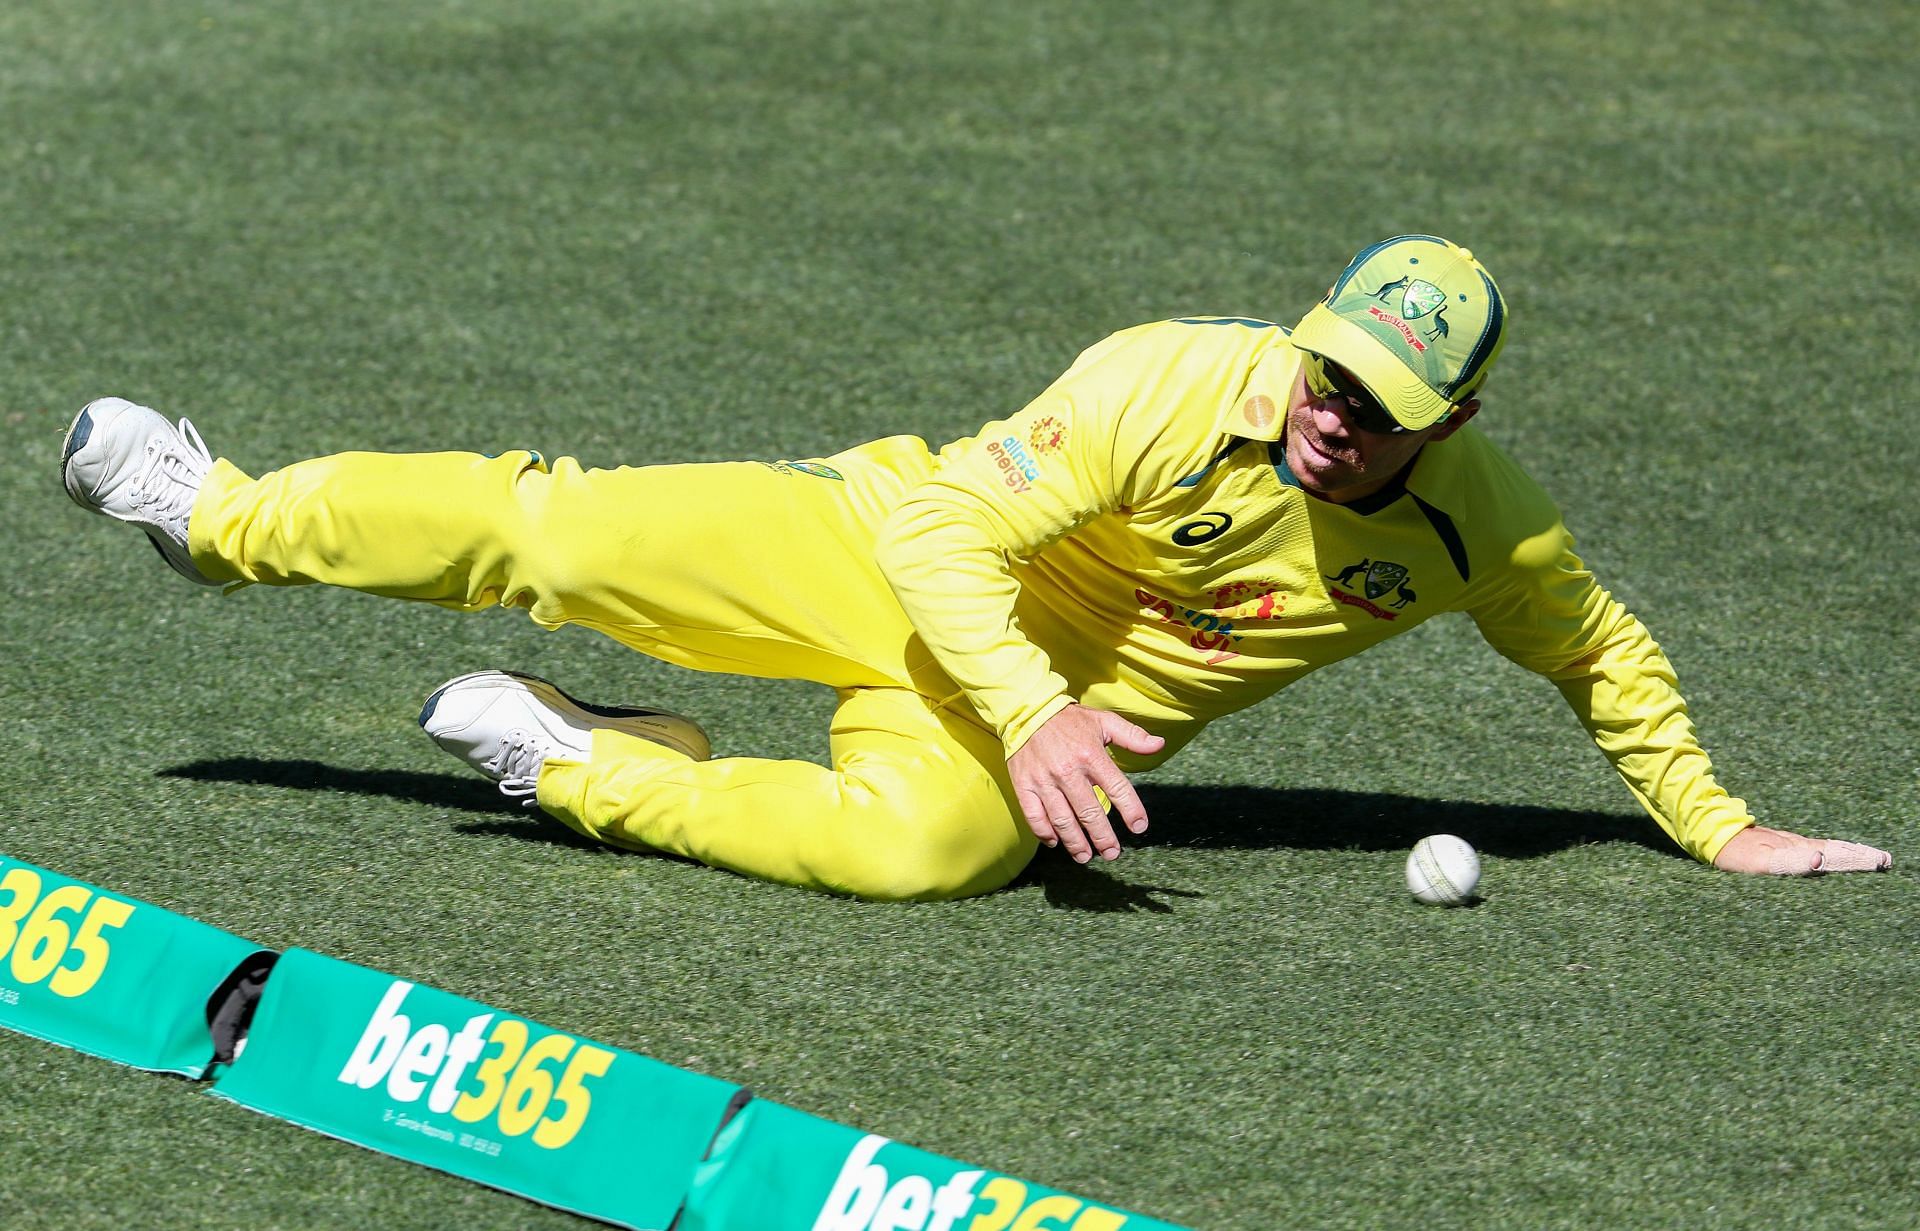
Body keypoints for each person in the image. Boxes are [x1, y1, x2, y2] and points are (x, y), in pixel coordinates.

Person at [60, 234, 1890, 900]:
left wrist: (1713, 819)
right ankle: (221, 521)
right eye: (1334, 370)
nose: (1341, 416)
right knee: (557, 529)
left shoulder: (1481, 532)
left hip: (1045, 728)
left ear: (1458, 414)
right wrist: (1024, 707)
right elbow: (945, 530)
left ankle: (602, 767)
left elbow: (1597, 653)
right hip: (893, 553)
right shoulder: (1176, 378)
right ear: (1306, 338)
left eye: (1391, 403)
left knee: (924, 855)